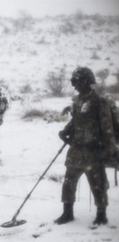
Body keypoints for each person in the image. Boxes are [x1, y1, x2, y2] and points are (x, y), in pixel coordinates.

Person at [55, 67, 116, 226]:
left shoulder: (99, 103)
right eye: (73, 82)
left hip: (94, 152)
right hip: (76, 150)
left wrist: (109, 151)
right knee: (68, 183)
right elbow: (75, 122)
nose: (75, 85)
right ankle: (67, 213)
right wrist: (65, 131)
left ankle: (101, 215)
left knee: (98, 185)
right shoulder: (77, 102)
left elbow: (107, 128)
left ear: (87, 82)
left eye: (77, 81)